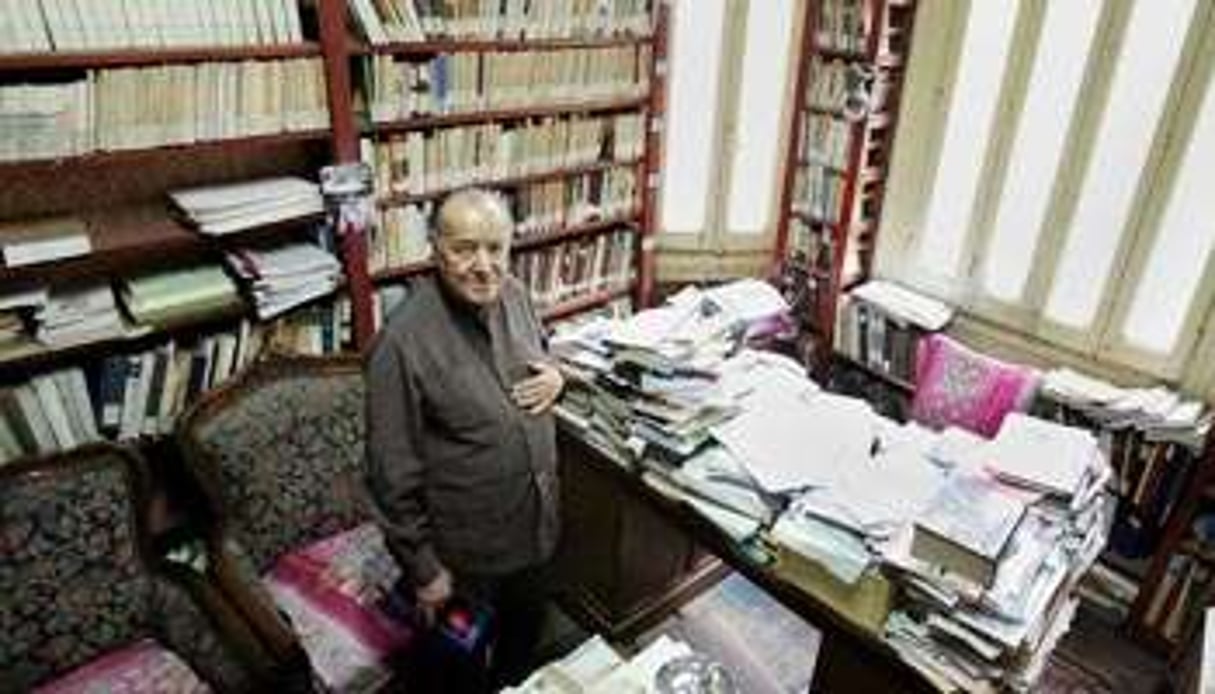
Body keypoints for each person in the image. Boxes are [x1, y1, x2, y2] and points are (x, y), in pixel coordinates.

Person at [364, 188, 565, 690]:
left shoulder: (516, 296)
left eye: (496, 248)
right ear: (435, 248)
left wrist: (559, 376)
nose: (484, 266)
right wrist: (425, 571)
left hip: (534, 532)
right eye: (465, 248)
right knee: (458, 673)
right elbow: (390, 474)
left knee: (522, 655)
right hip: (465, 562)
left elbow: (539, 356)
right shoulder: (402, 342)